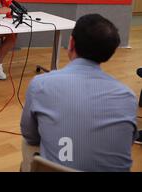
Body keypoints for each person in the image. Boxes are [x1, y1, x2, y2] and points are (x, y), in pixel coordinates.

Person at [20, 14, 138, 171]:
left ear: (71, 43)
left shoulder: (40, 84)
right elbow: (126, 141)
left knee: (27, 143)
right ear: (110, 52)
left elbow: (30, 136)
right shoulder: (128, 96)